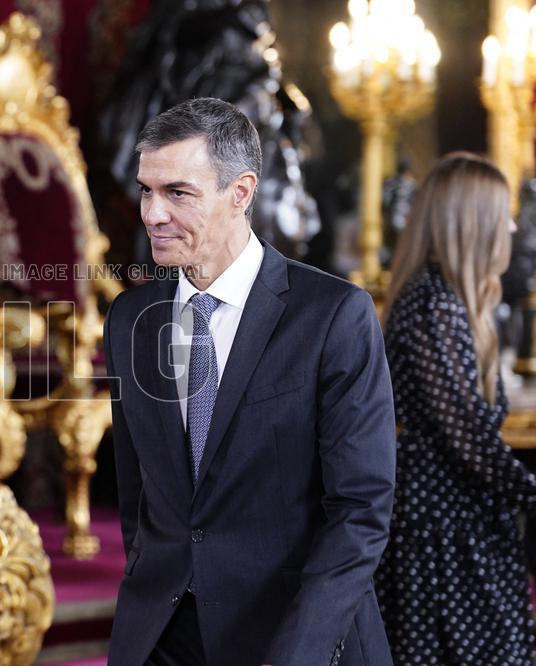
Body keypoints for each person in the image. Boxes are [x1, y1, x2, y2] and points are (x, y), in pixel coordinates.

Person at [104, 97, 396, 666]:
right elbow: (138, 496)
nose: (153, 214)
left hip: (294, 636)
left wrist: (297, 653)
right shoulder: (129, 320)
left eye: (177, 193)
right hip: (160, 637)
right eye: (146, 190)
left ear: (240, 192)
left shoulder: (334, 315)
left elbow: (360, 512)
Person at [374, 152, 536, 664]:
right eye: (503, 214)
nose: (513, 227)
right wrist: (529, 489)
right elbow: (465, 434)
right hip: (440, 527)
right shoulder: (432, 302)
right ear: (472, 223)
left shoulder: (448, 300)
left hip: (458, 519)